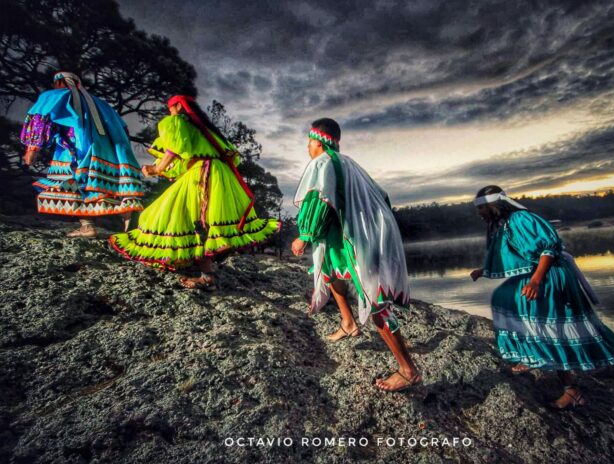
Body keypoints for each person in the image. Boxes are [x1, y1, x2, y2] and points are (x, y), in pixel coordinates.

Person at [292, 118, 420, 392]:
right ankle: (348, 323)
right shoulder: (350, 164)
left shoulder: (323, 163)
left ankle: (408, 370)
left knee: (375, 301)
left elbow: (318, 200)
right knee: (329, 273)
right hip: (348, 236)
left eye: (309, 141)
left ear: (319, 141)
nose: (307, 147)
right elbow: (382, 195)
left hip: (355, 240)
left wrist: (305, 235)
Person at [470, 185, 614, 409]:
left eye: (481, 208)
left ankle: (569, 388)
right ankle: (533, 356)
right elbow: (512, 256)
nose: (479, 213)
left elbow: (548, 249)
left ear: (493, 205)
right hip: (537, 275)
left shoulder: (521, 219)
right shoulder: (506, 224)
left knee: (547, 325)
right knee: (505, 299)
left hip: (550, 275)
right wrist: (483, 271)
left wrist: (536, 281)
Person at [110, 95, 280, 288]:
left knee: (179, 218)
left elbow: (174, 148)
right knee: (207, 222)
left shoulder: (177, 121)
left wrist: (157, 168)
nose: (169, 111)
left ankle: (207, 274)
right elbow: (234, 158)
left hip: (203, 174)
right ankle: (208, 261)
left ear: (177, 106)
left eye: (170, 107)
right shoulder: (208, 131)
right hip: (222, 176)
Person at [20, 71, 144, 236]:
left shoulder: (56, 95)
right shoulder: (102, 104)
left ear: (59, 83)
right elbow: (123, 129)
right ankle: (126, 209)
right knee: (97, 185)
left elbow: (41, 118)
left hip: (76, 150)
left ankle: (87, 225)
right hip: (106, 153)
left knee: (73, 184)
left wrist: (32, 148)